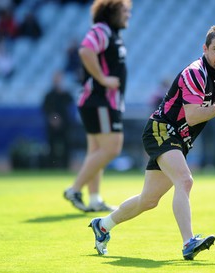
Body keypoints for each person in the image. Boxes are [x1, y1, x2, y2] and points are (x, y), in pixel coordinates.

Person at [88, 25, 215, 260]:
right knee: (185, 181)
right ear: (205, 48)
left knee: (148, 200)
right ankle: (188, 242)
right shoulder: (195, 73)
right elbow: (194, 115)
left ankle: (103, 225)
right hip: (161, 129)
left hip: (179, 139)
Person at [63, 0, 132, 212]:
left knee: (96, 151)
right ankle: (75, 189)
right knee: (111, 148)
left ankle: (94, 199)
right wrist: (102, 79)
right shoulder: (101, 29)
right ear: (111, 11)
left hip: (100, 101)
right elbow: (85, 51)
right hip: (100, 100)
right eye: (124, 11)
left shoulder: (112, 33)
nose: (128, 15)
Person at [42, 71, 75, 169]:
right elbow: (46, 109)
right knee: (51, 146)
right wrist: (53, 119)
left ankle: (65, 166)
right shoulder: (49, 95)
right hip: (52, 126)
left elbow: (70, 108)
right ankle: (52, 166)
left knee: (67, 145)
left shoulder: (66, 94)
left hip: (65, 125)